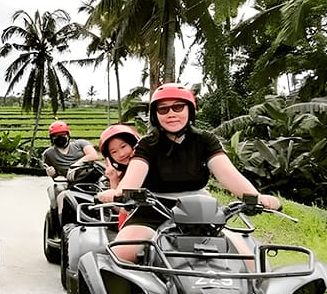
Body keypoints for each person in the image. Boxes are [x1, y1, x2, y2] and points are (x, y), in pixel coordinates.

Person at [97, 83, 280, 264]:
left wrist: (257, 197)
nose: (171, 114)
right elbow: (133, 177)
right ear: (155, 115)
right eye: (163, 109)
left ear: (190, 110)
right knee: (120, 253)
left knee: (248, 260)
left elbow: (227, 174)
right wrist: (118, 193)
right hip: (152, 209)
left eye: (178, 107)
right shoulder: (147, 144)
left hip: (201, 211)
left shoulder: (205, 140)